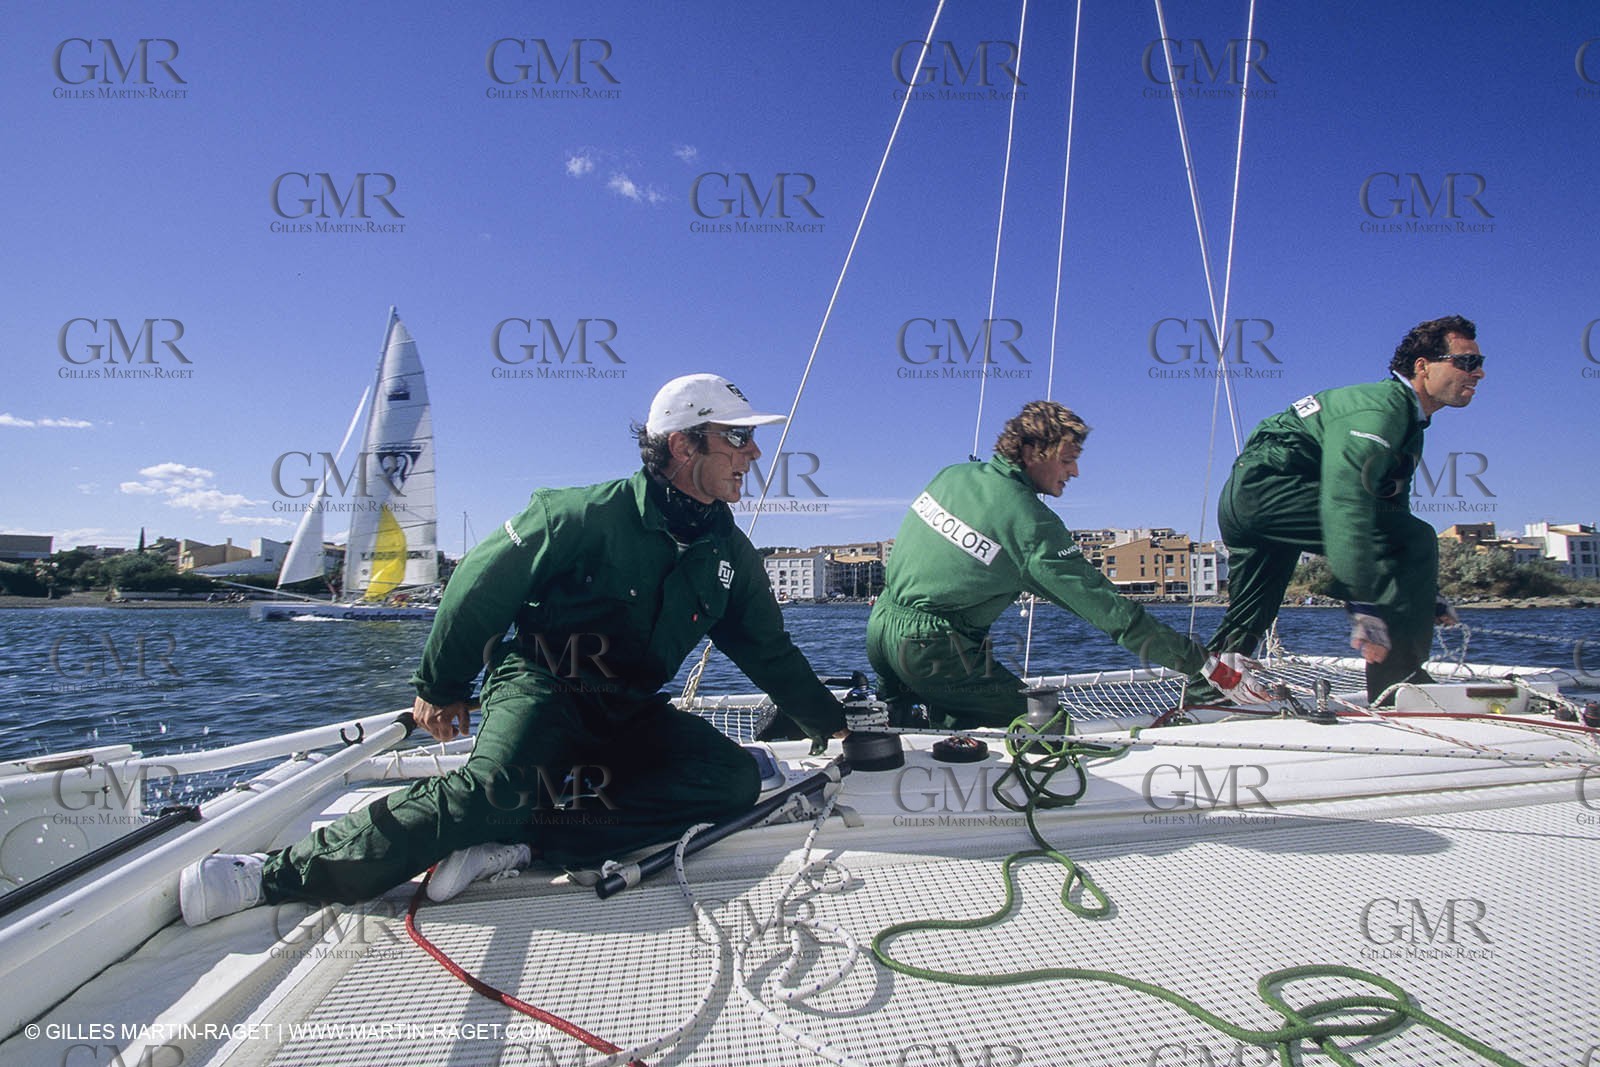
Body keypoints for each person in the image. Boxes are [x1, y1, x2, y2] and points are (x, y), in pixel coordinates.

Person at [180, 374, 847, 924]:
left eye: (752, 439)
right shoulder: (579, 515)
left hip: (629, 709)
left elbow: (769, 650)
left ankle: (524, 840)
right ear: (682, 444)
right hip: (543, 686)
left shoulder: (727, 550)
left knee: (728, 779)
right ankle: (276, 874)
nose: (754, 454)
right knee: (494, 787)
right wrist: (440, 685)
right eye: (738, 437)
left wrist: (836, 726)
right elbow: (477, 583)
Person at [865, 401, 1269, 730]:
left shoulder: (953, 474)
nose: (1075, 471)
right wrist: (1204, 664)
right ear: (1029, 452)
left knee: (913, 725)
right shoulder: (1031, 525)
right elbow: (1116, 615)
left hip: (881, 632)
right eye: (1066, 460)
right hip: (929, 649)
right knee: (1050, 727)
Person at [1193, 314, 1483, 704]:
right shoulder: (1380, 411)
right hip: (1274, 491)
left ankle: (1203, 696)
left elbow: (1390, 506)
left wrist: (1422, 593)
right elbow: (1348, 505)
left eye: (1479, 363)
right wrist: (1363, 600)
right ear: (1423, 366)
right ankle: (1398, 683)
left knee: (1252, 612)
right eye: (1466, 362)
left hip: (1248, 500)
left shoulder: (1407, 421)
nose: (1478, 373)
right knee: (1416, 537)